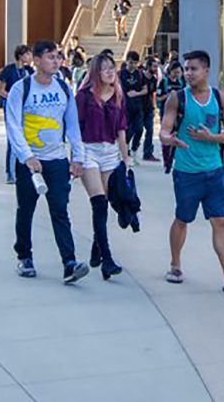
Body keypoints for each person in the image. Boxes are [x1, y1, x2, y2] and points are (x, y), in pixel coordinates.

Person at [161, 49, 224, 293]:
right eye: (186, 69)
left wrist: (212, 137)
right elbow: (164, 130)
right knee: (183, 219)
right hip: (186, 172)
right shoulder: (177, 98)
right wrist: (170, 140)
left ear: (206, 71)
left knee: (220, 221)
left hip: (215, 171)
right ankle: (175, 264)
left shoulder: (221, 98)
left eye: (193, 69)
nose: (188, 73)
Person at [5, 39, 87, 284]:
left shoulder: (63, 88)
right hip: (31, 163)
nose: (56, 61)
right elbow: (13, 125)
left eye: (58, 57)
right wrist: (26, 156)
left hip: (57, 160)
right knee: (26, 210)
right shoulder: (22, 88)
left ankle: (69, 262)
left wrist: (77, 157)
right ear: (37, 60)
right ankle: (24, 256)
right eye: (50, 57)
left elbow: (72, 124)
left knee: (60, 210)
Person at [76, 50, 131, 280]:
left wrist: (126, 158)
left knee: (106, 203)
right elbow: (75, 128)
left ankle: (95, 249)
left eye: (112, 68)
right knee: (98, 202)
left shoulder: (118, 95)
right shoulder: (84, 97)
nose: (110, 72)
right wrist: (76, 157)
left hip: (110, 153)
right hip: (88, 150)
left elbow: (121, 129)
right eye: (105, 68)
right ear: (96, 72)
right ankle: (107, 259)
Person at [0, 45, 30, 183]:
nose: (30, 57)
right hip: (11, 107)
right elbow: (1, 90)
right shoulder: (9, 70)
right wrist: (12, 98)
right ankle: (10, 172)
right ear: (20, 55)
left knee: (26, 138)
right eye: (27, 54)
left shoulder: (29, 71)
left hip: (25, 108)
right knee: (13, 138)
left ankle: (23, 169)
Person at [121, 50, 156, 162]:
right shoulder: (120, 74)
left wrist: (136, 93)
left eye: (135, 63)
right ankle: (125, 153)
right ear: (127, 61)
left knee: (139, 129)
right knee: (127, 131)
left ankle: (134, 149)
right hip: (125, 107)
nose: (133, 65)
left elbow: (145, 90)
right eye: (131, 62)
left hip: (137, 107)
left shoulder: (139, 74)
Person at [158, 56, 186, 173]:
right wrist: (170, 95)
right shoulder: (164, 82)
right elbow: (159, 97)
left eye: (179, 72)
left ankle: (173, 160)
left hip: (179, 113)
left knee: (177, 136)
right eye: (175, 72)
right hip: (166, 112)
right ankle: (166, 161)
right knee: (167, 136)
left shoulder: (182, 82)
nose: (177, 75)